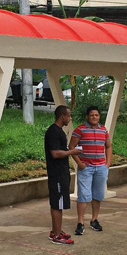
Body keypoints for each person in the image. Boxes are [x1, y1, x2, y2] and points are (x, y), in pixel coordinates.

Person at [70, 106, 112, 235]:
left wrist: (108, 163)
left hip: (100, 167)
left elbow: (108, 146)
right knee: (83, 196)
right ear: (87, 116)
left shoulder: (103, 130)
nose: (94, 117)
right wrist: (79, 163)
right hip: (86, 168)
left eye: (97, 115)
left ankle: (94, 220)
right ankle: (80, 222)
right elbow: (71, 147)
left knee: (98, 195)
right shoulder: (80, 130)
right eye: (92, 115)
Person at [44, 105, 83, 245]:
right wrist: (72, 152)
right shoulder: (53, 132)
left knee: (59, 203)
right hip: (57, 175)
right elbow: (55, 153)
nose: (70, 118)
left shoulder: (59, 131)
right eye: (69, 116)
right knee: (57, 204)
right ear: (62, 117)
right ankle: (56, 235)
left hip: (61, 173)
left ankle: (57, 230)